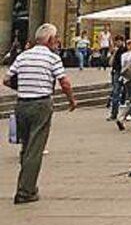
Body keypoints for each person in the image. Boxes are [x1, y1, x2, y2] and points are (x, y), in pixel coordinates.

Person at [3, 23, 76, 204]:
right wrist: (71, 100)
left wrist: (25, 87)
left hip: (22, 104)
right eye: (56, 38)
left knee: (27, 147)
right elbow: (64, 83)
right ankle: (25, 192)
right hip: (41, 103)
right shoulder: (52, 58)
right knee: (35, 150)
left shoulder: (23, 56)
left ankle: (26, 185)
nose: (58, 42)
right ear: (50, 40)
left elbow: (6, 79)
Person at [116, 38, 131, 130]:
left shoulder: (123, 55)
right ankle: (123, 117)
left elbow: (123, 66)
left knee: (128, 97)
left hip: (126, 78)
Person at [107, 34, 126, 120]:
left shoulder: (125, 50)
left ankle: (126, 113)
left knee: (124, 93)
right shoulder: (116, 51)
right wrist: (114, 53)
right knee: (115, 92)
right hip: (116, 72)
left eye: (119, 41)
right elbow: (110, 63)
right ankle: (114, 113)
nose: (117, 43)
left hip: (123, 73)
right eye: (116, 41)